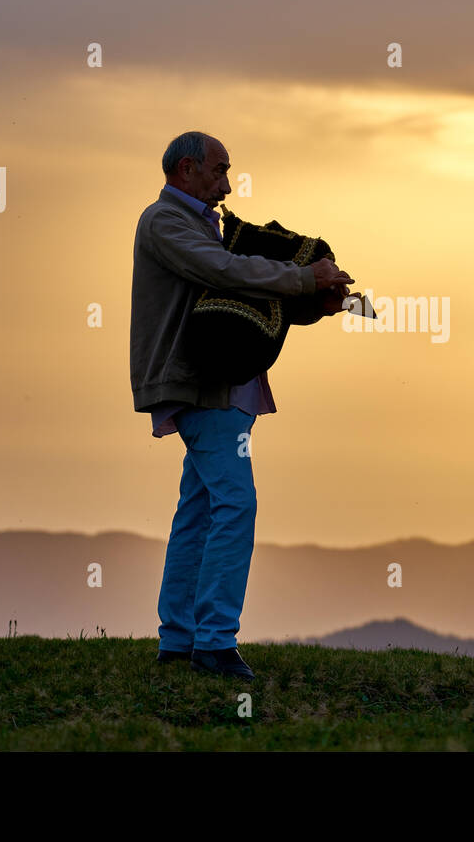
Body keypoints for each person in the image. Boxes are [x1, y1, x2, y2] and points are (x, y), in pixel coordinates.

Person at [129, 131, 353, 679]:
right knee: (235, 504)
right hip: (201, 382)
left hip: (216, 382)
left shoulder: (199, 223)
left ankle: (179, 640)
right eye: (219, 171)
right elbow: (223, 273)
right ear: (187, 169)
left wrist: (316, 300)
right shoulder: (165, 222)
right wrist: (304, 277)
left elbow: (233, 283)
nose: (227, 185)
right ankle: (214, 642)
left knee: (199, 510)